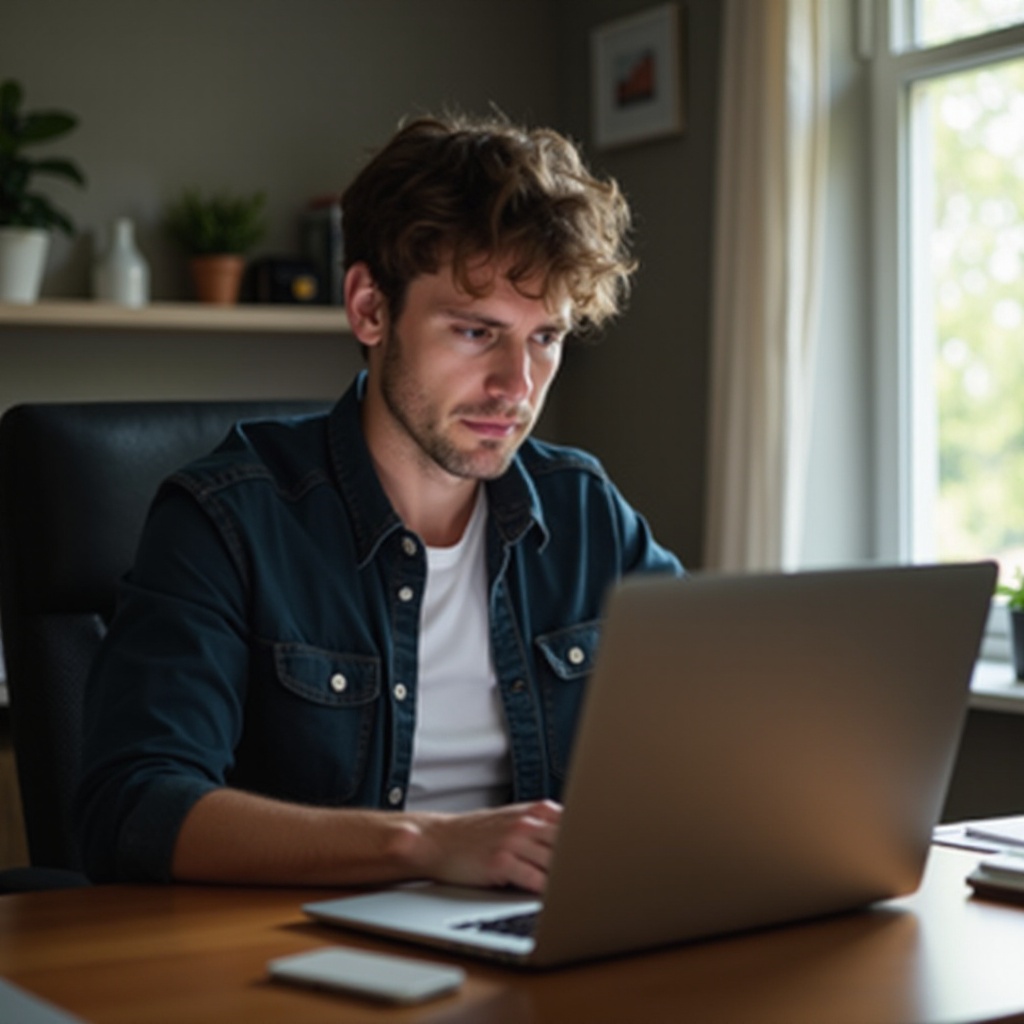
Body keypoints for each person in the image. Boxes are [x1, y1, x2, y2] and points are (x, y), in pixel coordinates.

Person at [74, 112, 683, 893]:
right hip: (289, 964)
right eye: (475, 332)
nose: (517, 387)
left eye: (544, 338)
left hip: (530, 938)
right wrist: (425, 845)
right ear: (368, 308)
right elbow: (133, 810)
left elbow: (712, 722)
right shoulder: (224, 519)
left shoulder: (585, 512)